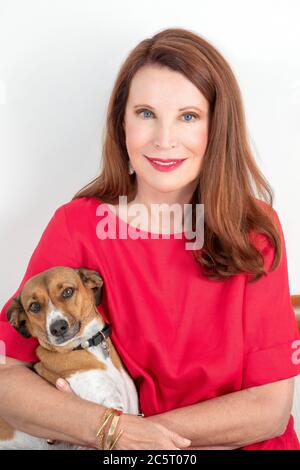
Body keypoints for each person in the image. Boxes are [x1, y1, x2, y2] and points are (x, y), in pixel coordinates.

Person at [1, 27, 300, 450]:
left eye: (188, 116)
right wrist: (113, 430)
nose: (164, 139)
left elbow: (268, 410)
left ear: (217, 127)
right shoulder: (78, 225)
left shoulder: (253, 228)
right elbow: (7, 376)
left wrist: (135, 434)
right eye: (145, 113)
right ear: (121, 122)